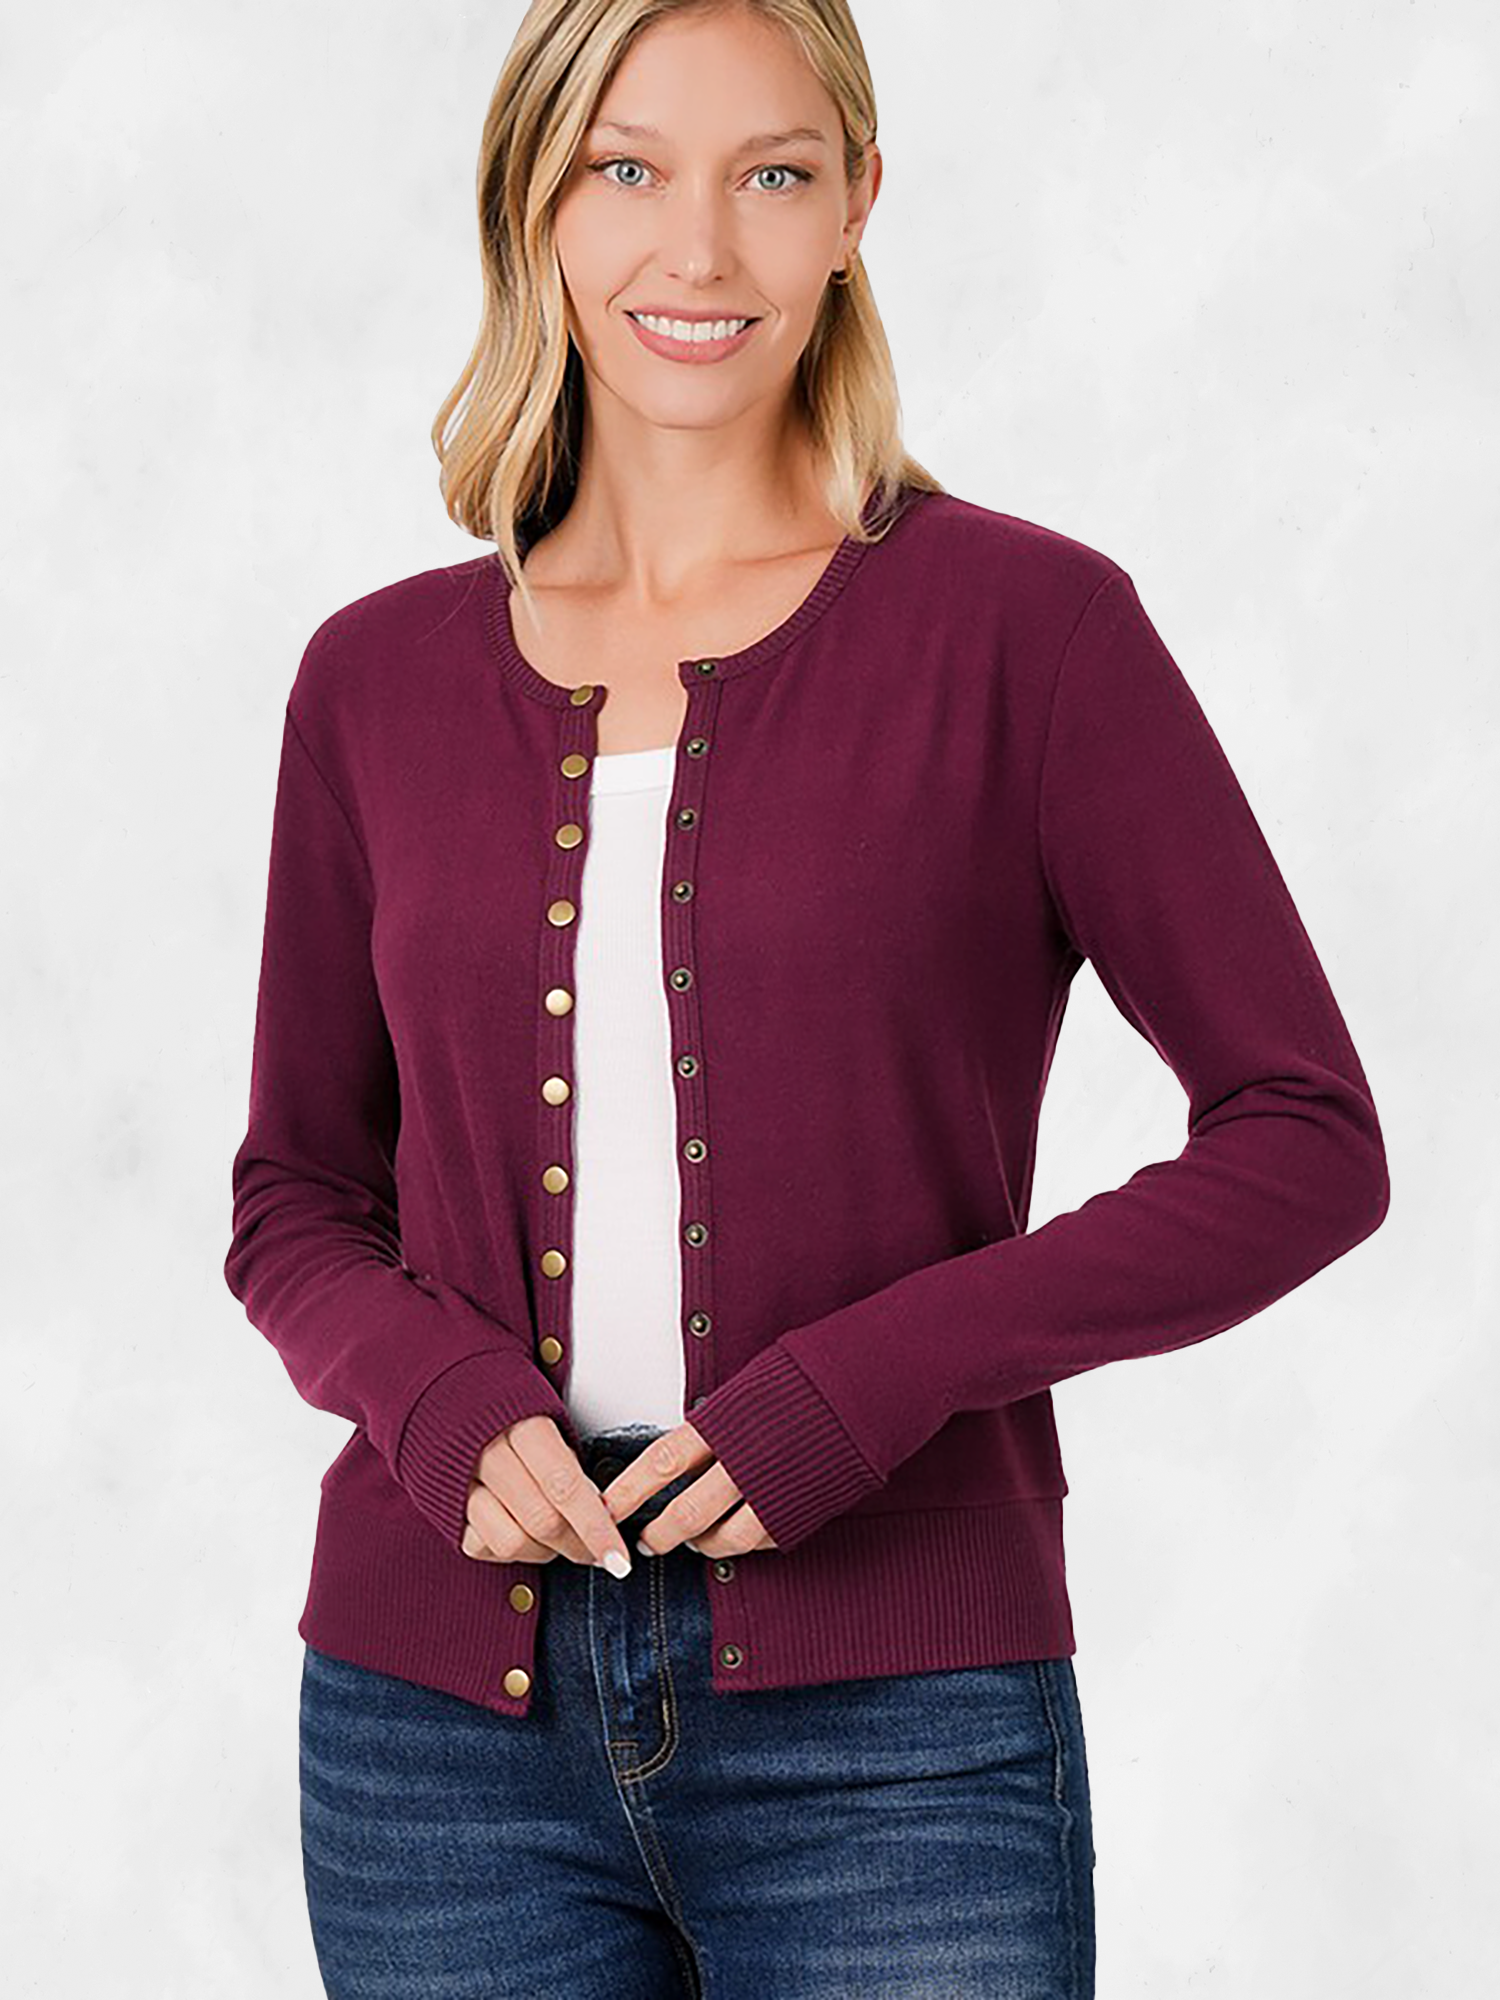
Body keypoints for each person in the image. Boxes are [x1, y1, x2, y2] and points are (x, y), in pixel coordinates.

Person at [225, 2, 1390, 1994]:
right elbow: (294, 1200)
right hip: (439, 1744)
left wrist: (870, 1383)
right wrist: (430, 1399)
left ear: (857, 204)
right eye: (628, 168)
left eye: (772, 173)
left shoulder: (1030, 633)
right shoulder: (371, 682)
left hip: (899, 1741)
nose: (700, 247)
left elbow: (1306, 1141)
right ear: (534, 203)